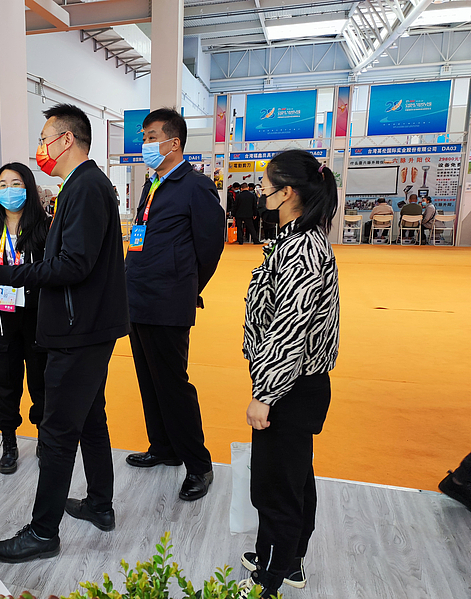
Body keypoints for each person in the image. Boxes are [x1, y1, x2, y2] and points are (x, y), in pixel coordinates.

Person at [0, 104, 129, 562]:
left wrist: (6, 274)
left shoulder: (86, 187)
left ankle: (42, 532)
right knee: (90, 417)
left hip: (79, 329)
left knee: (57, 431)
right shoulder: (81, 186)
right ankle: (100, 503)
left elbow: (73, 265)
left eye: (44, 139)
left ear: (66, 140)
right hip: (86, 325)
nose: (40, 148)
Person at [239, 149, 340, 599]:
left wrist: (265, 394)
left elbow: (289, 329)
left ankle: (274, 576)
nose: (261, 189)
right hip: (293, 383)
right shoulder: (294, 239)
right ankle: (282, 557)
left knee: (278, 484)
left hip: (290, 386)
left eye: (267, 183)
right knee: (291, 476)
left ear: (288, 193)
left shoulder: (301, 249)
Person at [124, 108, 224, 502]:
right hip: (138, 297)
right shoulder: (153, 185)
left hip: (168, 300)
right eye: (144, 137)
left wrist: (185, 284)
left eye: (151, 137)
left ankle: (199, 465)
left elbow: (209, 247)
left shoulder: (195, 186)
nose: (145, 144)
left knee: (172, 385)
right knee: (149, 380)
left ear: (173, 142)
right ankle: (163, 447)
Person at [0, 162, 50, 475]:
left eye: (16, 183)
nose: (9, 190)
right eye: (3, 185)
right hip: (3, 317)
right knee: (3, 379)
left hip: (38, 317)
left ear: (28, 187)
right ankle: (9, 441)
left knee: (42, 380)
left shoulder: (45, 227)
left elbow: (50, 271)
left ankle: (45, 438)